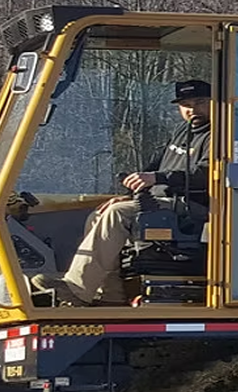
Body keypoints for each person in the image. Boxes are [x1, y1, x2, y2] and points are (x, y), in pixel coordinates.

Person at [56, 79, 213, 306]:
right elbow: (154, 165)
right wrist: (131, 194)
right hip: (162, 201)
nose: (192, 109)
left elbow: (206, 173)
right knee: (100, 214)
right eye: (185, 104)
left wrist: (157, 178)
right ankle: (110, 296)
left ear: (215, 102)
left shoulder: (221, 134)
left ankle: (77, 290)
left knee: (118, 215)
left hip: (193, 207)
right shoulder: (183, 131)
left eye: (200, 102)